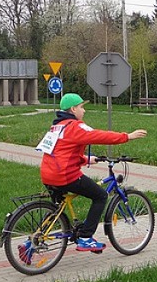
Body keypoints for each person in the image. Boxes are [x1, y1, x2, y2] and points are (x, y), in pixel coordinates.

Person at [38, 93, 147, 252]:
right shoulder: (76, 126)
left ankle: (31, 242)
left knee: (57, 208)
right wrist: (127, 136)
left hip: (48, 173)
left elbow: (61, 152)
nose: (84, 111)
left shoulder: (56, 127)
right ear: (73, 109)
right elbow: (98, 135)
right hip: (65, 175)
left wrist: (86, 159)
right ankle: (86, 237)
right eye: (82, 107)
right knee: (100, 196)